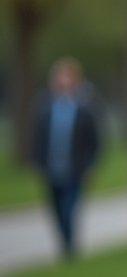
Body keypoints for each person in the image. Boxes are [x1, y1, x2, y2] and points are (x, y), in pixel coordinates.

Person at [31, 57, 102, 260]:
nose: (61, 80)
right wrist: (37, 162)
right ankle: (65, 242)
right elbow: (38, 138)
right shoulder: (45, 106)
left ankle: (69, 247)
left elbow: (94, 140)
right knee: (55, 208)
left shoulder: (84, 108)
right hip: (51, 168)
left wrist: (90, 166)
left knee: (68, 208)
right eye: (58, 76)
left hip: (75, 169)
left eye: (66, 76)